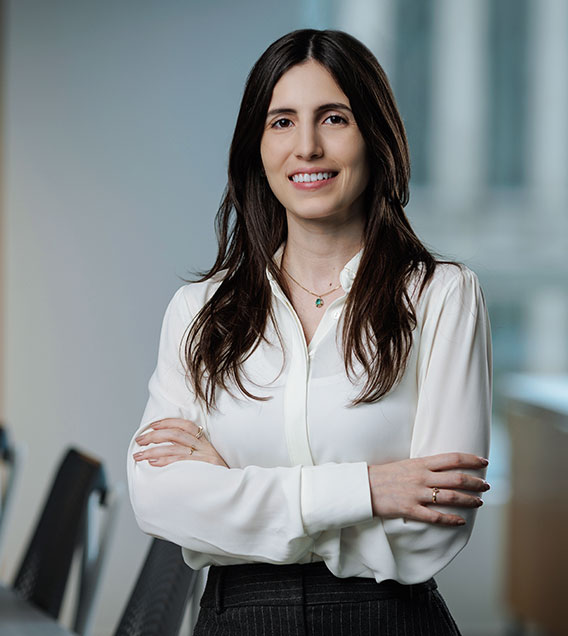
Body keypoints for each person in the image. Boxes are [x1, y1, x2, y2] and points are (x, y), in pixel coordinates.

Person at [128, 28, 491, 635]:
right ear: (257, 146)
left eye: (334, 118)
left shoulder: (441, 297)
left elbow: (432, 527)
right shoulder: (199, 312)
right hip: (235, 619)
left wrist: (236, 496)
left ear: (374, 138)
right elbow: (160, 500)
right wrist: (371, 487)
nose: (308, 147)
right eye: (282, 122)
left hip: (387, 622)